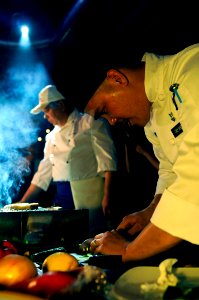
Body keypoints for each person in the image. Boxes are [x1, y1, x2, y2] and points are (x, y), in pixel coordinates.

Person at [83, 43, 199, 267]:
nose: (113, 121)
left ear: (116, 78)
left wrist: (128, 250)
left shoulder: (191, 71)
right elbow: (170, 171)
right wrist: (151, 211)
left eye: (104, 110)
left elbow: (195, 182)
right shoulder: (151, 120)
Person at [19, 84, 117, 235]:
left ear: (61, 105)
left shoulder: (90, 123)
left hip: (89, 194)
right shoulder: (51, 137)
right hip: (62, 196)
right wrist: (21, 204)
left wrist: (108, 196)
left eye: (47, 110)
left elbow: (108, 161)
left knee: (90, 236)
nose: (45, 116)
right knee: (64, 236)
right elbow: (42, 176)